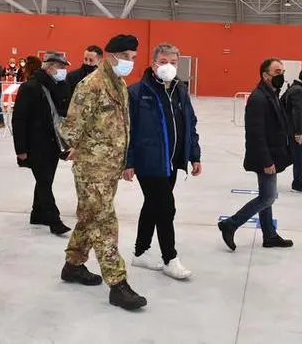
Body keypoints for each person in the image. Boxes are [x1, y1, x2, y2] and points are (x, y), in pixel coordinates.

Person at [58, 34, 147, 311]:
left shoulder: (118, 83)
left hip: (110, 166)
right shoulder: (91, 85)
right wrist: (71, 147)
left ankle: (73, 265)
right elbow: (71, 127)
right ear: (114, 56)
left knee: (88, 217)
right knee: (104, 221)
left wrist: (124, 160)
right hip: (92, 168)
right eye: (129, 57)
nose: (132, 62)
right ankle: (117, 284)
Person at [123, 43, 201, 280]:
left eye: (174, 62)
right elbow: (127, 130)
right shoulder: (137, 92)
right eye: (164, 61)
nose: (169, 66)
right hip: (149, 162)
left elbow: (190, 123)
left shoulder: (180, 91)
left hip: (172, 161)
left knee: (153, 205)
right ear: (153, 63)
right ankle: (170, 258)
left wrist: (194, 154)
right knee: (166, 208)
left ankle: (140, 251)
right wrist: (128, 161)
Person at [217, 58, 294, 251]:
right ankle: (230, 224)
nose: (281, 76)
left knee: (266, 196)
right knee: (267, 198)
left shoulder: (272, 94)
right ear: (265, 75)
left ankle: (269, 235)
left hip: (272, 154)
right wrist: (266, 161)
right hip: (264, 156)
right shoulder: (258, 98)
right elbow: (255, 134)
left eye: (282, 72)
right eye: (277, 72)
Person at [12, 52, 72, 235]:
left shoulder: (58, 86)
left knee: (46, 179)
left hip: (53, 143)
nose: (63, 71)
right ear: (49, 67)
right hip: (35, 144)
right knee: (44, 182)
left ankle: (37, 213)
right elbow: (19, 119)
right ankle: (54, 220)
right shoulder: (31, 87)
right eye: (61, 67)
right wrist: (20, 149)